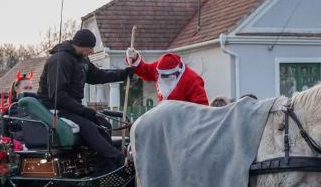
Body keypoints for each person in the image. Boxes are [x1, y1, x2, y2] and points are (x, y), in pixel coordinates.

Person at [37, 29, 134, 174]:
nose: (92, 52)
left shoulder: (81, 59)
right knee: (89, 127)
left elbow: (97, 76)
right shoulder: (60, 60)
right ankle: (118, 160)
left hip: (71, 106)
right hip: (55, 106)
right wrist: (83, 111)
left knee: (103, 124)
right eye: (90, 48)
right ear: (82, 45)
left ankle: (106, 165)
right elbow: (58, 95)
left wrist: (122, 74)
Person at [125, 49, 208, 106]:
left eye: (166, 76)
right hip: (164, 118)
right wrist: (135, 59)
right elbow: (145, 71)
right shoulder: (159, 69)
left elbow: (201, 107)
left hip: (184, 122)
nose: (163, 77)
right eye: (161, 75)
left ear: (176, 72)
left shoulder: (192, 80)